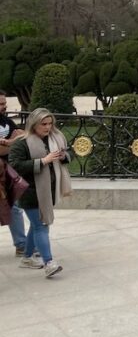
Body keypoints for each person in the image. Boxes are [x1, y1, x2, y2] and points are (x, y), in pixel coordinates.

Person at [7, 108, 73, 278]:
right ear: (34, 124)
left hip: (48, 191)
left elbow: (68, 153)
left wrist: (62, 157)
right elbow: (15, 165)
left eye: (50, 123)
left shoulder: (54, 138)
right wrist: (43, 161)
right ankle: (49, 263)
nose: (48, 127)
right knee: (42, 226)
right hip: (29, 191)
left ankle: (27, 257)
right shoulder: (21, 142)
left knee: (36, 226)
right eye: (43, 124)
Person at [0, 91, 27, 255]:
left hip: (7, 172)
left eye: (4, 103)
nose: (4, 107)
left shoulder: (6, 121)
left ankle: (21, 245)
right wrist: (12, 143)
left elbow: (23, 135)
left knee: (14, 207)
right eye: (1, 104)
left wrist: (8, 142)